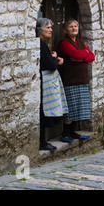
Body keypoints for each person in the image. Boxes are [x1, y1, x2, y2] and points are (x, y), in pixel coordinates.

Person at [58, 18, 95, 142]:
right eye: (70, 26)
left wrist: (81, 55)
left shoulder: (80, 42)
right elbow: (77, 55)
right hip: (70, 80)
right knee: (70, 108)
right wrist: (82, 55)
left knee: (79, 108)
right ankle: (65, 133)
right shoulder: (64, 43)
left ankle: (73, 132)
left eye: (75, 26)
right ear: (65, 30)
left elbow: (92, 57)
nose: (74, 28)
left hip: (81, 79)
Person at [36, 17, 68, 151]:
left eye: (51, 27)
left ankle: (43, 141)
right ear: (39, 29)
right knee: (43, 112)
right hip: (44, 83)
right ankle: (42, 142)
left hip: (45, 82)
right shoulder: (40, 43)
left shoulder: (42, 43)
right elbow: (49, 65)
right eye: (48, 27)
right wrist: (56, 61)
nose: (51, 30)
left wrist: (53, 58)